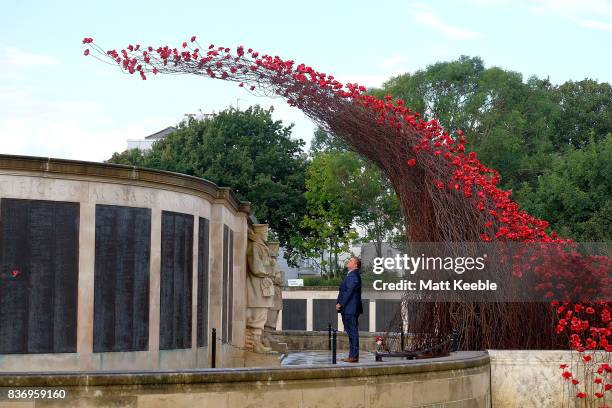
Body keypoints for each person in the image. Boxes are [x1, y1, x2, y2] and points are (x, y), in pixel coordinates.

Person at [336, 257, 363, 363]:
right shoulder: (350, 274)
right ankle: (352, 355)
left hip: (350, 308)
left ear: (356, 265)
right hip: (348, 308)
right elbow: (343, 290)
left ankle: (354, 356)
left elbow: (349, 291)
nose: (348, 261)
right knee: (351, 332)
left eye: (351, 261)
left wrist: (341, 303)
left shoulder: (354, 275)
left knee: (352, 332)